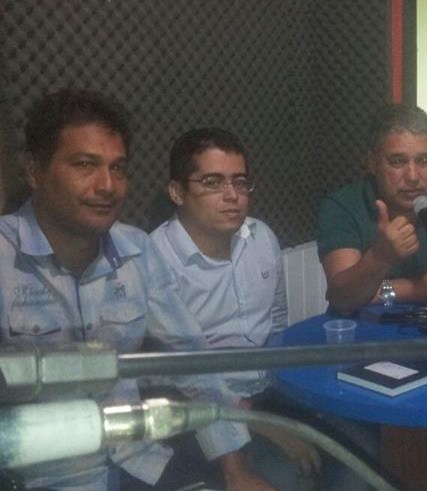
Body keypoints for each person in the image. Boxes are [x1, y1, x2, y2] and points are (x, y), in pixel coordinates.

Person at [0, 89, 205, 490]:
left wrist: (234, 465)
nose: (108, 185)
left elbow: (191, 358)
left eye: (118, 168)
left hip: (136, 463)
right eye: (85, 165)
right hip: (39, 477)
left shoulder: (137, 250)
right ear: (33, 171)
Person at [148, 128, 331, 491]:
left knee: (358, 446)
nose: (232, 195)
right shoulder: (154, 261)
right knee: (289, 476)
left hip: (268, 391)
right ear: (177, 192)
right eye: (212, 182)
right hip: (198, 411)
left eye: (240, 181)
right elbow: (188, 375)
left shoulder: (261, 237)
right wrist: (264, 423)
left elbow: (277, 325)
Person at [316, 104, 427, 315]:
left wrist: (384, 291)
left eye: (424, 161)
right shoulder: (342, 205)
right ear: (373, 163)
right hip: (363, 328)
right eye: (397, 161)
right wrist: (380, 256)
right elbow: (343, 299)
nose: (412, 176)